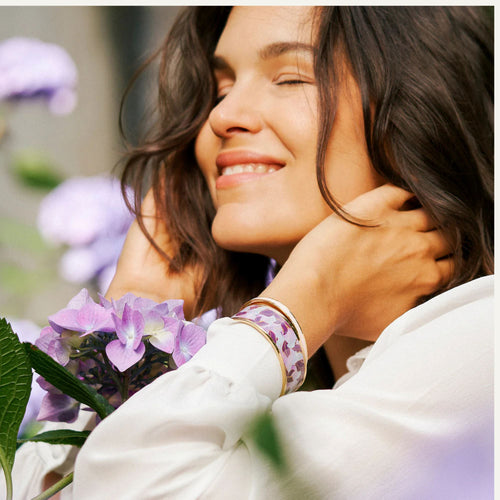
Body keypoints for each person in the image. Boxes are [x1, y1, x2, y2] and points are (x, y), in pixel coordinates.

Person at [8, 6, 493, 499]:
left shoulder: (479, 348)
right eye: (221, 89)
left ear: (426, 105)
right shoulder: (293, 381)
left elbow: (133, 485)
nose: (221, 116)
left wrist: (296, 309)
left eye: (289, 78)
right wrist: (131, 332)